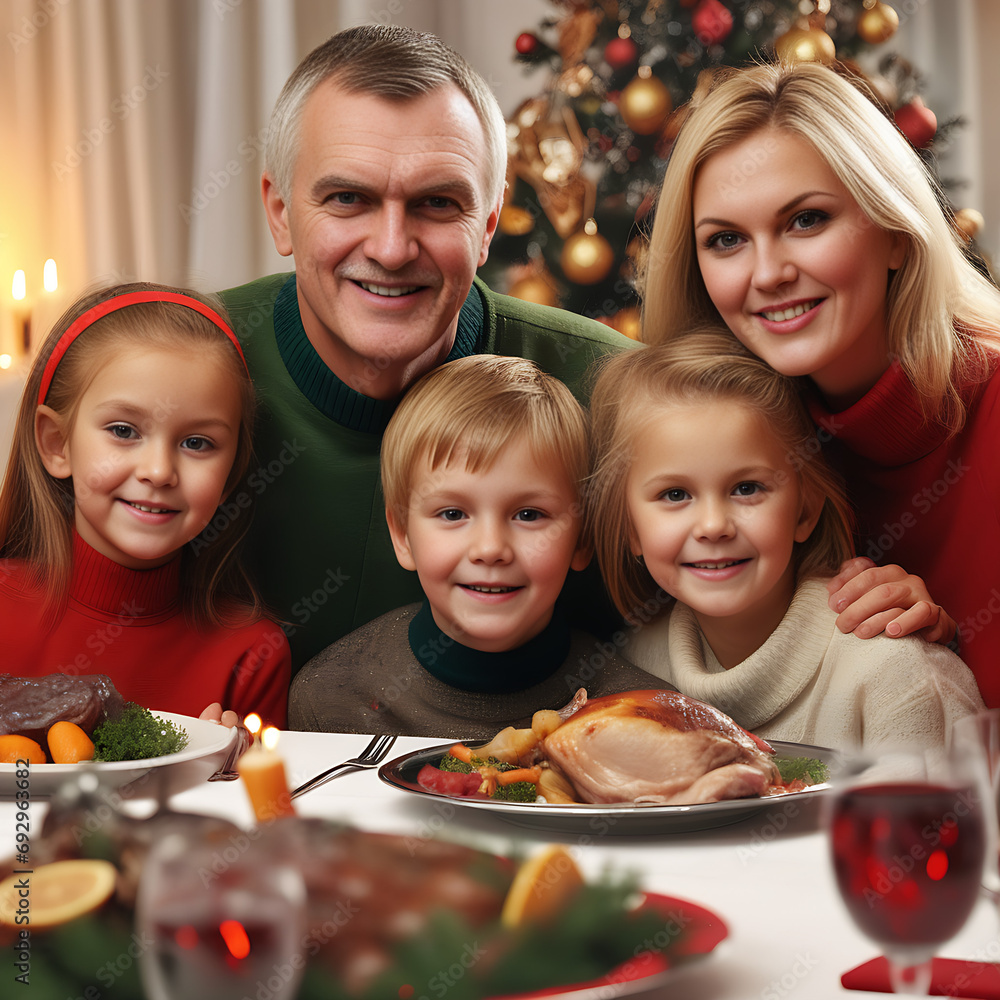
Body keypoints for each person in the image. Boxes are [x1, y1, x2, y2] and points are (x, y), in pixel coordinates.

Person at [219, 24, 637, 673]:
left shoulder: (612, 389)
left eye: (437, 203)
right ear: (280, 212)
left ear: (489, 224)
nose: (391, 248)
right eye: (348, 198)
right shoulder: (176, 366)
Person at [640, 59, 1000, 706]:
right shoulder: (732, 449)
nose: (769, 273)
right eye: (725, 240)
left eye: (805, 221)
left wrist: (944, 666)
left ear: (895, 232)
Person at [588, 331, 983, 749]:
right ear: (630, 528)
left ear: (805, 511)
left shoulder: (896, 675)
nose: (713, 525)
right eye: (675, 495)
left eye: (746, 488)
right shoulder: (627, 673)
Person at [288, 355, 666, 738]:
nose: (490, 549)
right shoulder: (330, 701)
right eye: (453, 514)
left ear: (583, 538)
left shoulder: (640, 715)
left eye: (529, 515)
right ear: (402, 535)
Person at [0, 283, 291, 726]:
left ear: (230, 475)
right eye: (123, 431)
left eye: (197, 442)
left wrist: (225, 778)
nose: (158, 471)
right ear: (57, 444)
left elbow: (267, 795)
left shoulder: (251, 654)